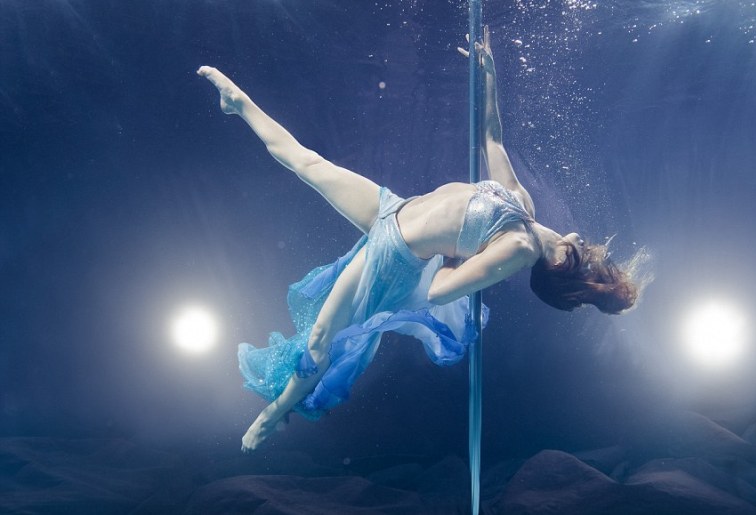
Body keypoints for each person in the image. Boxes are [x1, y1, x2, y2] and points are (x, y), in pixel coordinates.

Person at [198, 28, 643, 452]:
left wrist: (448, 252)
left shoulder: (519, 251)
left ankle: (272, 415)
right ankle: (238, 104)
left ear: (564, 261)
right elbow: (493, 139)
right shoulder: (523, 206)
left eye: (584, 253)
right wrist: (488, 79)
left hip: (393, 253)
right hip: (393, 207)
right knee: (310, 165)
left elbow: (437, 290)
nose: (582, 239)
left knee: (321, 338)